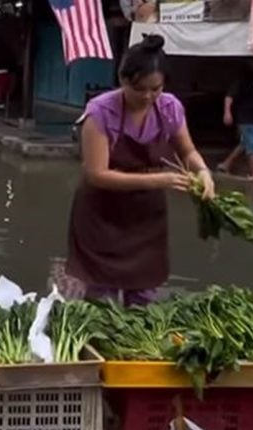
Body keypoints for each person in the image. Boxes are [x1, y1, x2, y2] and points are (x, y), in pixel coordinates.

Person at [66, 35, 215, 307]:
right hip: (103, 212)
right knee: (102, 298)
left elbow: (188, 151)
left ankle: (136, 348)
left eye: (155, 89)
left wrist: (203, 171)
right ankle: (101, 344)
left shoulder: (170, 108)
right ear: (123, 80)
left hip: (145, 215)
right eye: (139, 89)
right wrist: (159, 179)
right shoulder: (100, 113)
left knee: (144, 296)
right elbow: (97, 174)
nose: (148, 96)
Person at [218, 58, 253, 180]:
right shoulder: (244, 78)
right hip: (247, 117)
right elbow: (229, 96)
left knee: (246, 143)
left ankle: (226, 164)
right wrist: (227, 112)